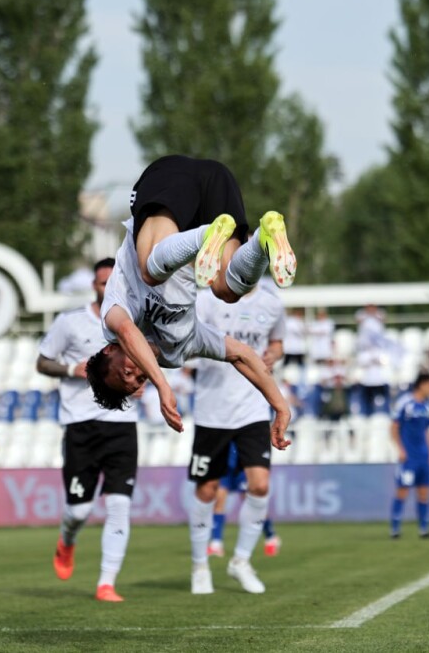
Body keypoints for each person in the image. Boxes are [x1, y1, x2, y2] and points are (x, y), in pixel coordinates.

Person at [86, 155, 292, 450]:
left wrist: (162, 386)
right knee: (227, 291)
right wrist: (279, 405)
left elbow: (129, 333)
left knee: (148, 271)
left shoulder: (113, 319)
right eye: (138, 383)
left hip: (167, 182)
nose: (138, 375)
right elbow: (241, 355)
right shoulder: (178, 349)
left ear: (109, 350)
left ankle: (205, 235)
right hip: (216, 184)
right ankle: (264, 239)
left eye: (127, 373)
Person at [37, 258, 140, 603]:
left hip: (122, 425)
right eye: (101, 282)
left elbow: (153, 361)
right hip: (80, 425)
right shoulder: (70, 322)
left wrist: (144, 383)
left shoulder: (135, 323)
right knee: (79, 510)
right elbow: (42, 361)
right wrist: (70, 368)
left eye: (113, 281)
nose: (106, 286)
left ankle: (106, 583)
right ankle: (67, 540)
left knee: (119, 505)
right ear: (94, 286)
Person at [188, 279, 285, 595]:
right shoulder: (206, 300)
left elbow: (278, 343)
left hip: (253, 408)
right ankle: (200, 565)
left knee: (260, 485)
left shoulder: (272, 303)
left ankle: (241, 561)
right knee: (207, 489)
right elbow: (187, 336)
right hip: (212, 410)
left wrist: (271, 355)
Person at [208, 442, 281, 559]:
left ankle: (271, 536)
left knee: (252, 503)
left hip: (242, 465)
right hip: (223, 464)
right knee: (218, 501)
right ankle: (216, 543)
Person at [389, 373, 429, 539]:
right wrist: (400, 449)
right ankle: (395, 528)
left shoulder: (427, 407)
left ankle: (424, 528)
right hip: (409, 457)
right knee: (402, 491)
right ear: (422, 385)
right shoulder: (405, 403)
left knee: (424, 492)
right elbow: (394, 427)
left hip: (423, 456)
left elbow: (427, 431)